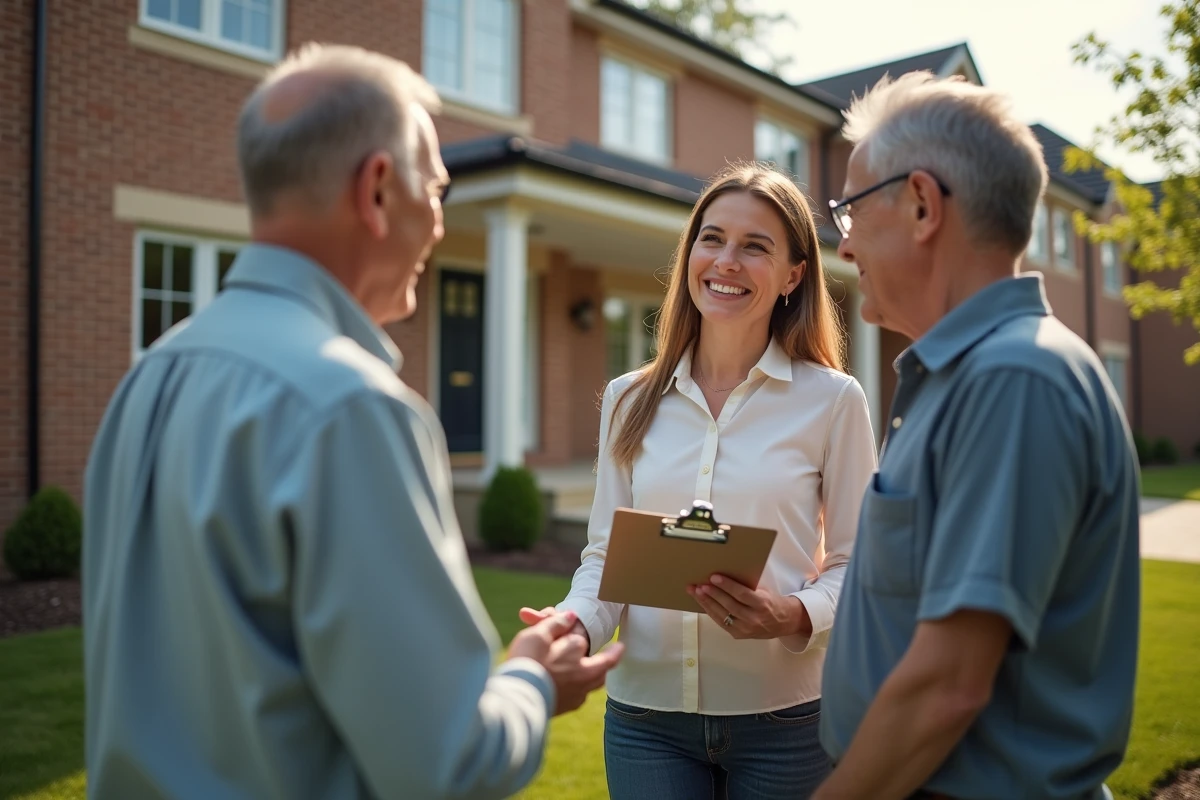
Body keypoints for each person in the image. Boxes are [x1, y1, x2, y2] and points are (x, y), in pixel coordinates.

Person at [82, 43, 622, 800]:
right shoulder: (350, 407)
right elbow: (447, 762)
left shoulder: (147, 378)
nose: (438, 223)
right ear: (377, 190)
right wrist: (535, 677)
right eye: (434, 190)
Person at [814, 72, 1140, 800]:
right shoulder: (965, 377)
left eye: (850, 212)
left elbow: (948, 687)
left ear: (923, 205)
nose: (844, 247)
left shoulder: (1013, 381)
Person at [521, 162, 878, 799]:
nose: (726, 261)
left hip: (787, 722)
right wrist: (572, 625)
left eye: (756, 247)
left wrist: (792, 614)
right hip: (645, 723)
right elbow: (606, 559)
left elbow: (860, 564)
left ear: (795, 275)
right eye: (711, 239)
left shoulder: (833, 401)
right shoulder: (628, 399)